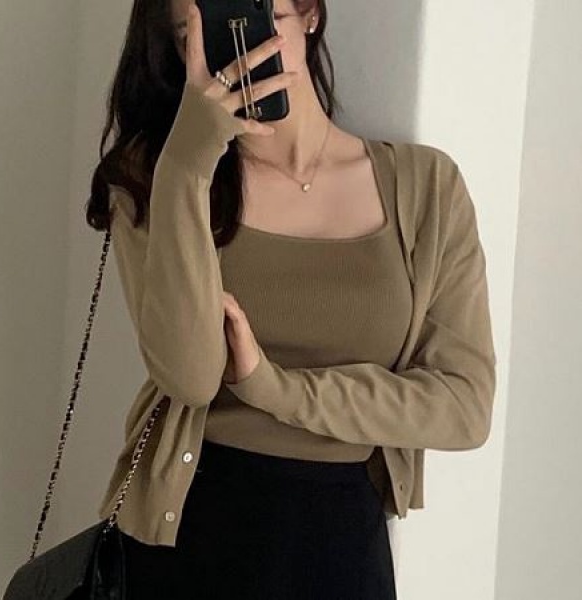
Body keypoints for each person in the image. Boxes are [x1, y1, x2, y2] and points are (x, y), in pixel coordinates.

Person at [86, 1, 496, 599]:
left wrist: (271, 387)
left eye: (255, 20)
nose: (239, 56)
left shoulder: (428, 187)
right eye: (196, 35)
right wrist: (188, 164)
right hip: (192, 535)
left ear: (308, 14)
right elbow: (190, 378)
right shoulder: (153, 177)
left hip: (343, 540)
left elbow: (464, 407)